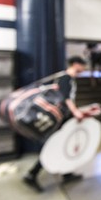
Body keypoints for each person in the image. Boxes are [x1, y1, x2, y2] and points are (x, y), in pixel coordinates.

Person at [23, 56, 87, 192]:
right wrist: (76, 112)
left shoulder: (69, 79)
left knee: (62, 144)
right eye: (83, 65)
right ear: (76, 64)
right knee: (52, 146)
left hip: (63, 119)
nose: (84, 68)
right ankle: (31, 174)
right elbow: (66, 98)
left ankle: (66, 173)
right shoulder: (65, 78)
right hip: (58, 120)